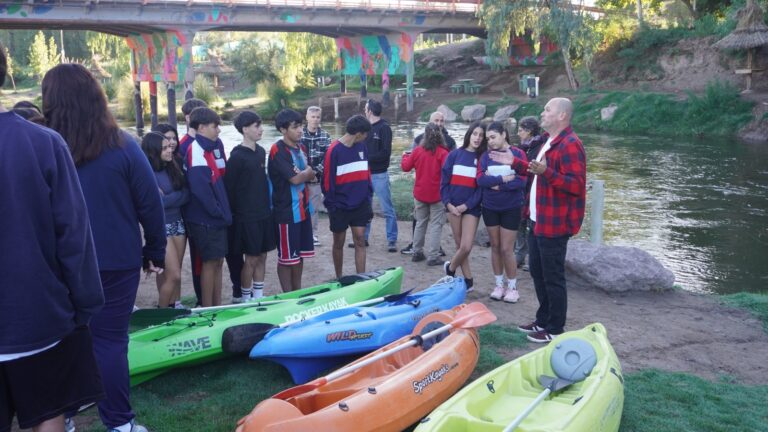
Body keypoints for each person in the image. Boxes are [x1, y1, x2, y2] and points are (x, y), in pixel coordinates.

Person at [42, 63, 166, 432]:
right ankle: (120, 423)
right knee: (110, 342)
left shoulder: (43, 144)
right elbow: (150, 203)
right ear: (96, 96)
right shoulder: (124, 145)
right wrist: (155, 250)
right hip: (115, 259)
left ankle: (60, 417)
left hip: (57, 263)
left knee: (61, 342)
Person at [1, 46, 105, 432]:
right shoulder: (43, 143)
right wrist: (85, 305)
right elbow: (74, 238)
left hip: (38, 320)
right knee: (49, 414)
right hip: (38, 317)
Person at [490, 98, 587, 343]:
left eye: (547, 110)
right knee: (538, 272)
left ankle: (555, 329)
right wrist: (515, 162)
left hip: (555, 223)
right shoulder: (550, 141)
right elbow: (536, 169)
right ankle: (543, 320)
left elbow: (576, 185)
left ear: (562, 116)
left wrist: (547, 172)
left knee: (552, 277)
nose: (542, 113)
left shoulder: (571, 145)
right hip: (538, 219)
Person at [225, 111, 276, 301]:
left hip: (263, 213)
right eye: (257, 126)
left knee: (263, 256)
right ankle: (245, 298)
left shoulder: (261, 152)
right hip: (246, 217)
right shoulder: (237, 157)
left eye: (261, 125)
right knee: (251, 258)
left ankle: (259, 297)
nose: (261, 129)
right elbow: (229, 189)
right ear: (245, 129)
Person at [184, 107, 232, 307]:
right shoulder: (196, 150)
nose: (219, 130)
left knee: (218, 262)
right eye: (215, 126)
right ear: (202, 128)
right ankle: (208, 307)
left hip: (214, 218)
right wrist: (218, 213)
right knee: (210, 263)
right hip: (205, 220)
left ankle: (217, 304)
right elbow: (201, 190)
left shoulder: (208, 148)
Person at [477, 121, 528, 304]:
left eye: (493, 137)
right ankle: (499, 284)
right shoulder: (486, 156)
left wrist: (497, 184)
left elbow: (522, 181)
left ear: (504, 135)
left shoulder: (518, 154)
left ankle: (512, 287)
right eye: (488, 138)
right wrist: (503, 179)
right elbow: (481, 180)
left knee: (507, 248)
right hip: (490, 206)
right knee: (496, 246)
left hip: (511, 207)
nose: (490, 141)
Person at [268, 109, 316, 292]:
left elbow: (308, 174)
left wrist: (305, 174)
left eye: (301, 126)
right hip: (286, 212)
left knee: (299, 255)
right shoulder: (277, 149)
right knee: (287, 258)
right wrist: (306, 174)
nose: (300, 130)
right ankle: (288, 296)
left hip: (303, 210)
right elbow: (296, 178)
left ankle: (298, 291)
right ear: (283, 130)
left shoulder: (301, 147)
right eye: (295, 127)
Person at [141, 132, 189, 309]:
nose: (170, 150)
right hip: (161, 227)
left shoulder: (172, 166)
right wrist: (174, 197)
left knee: (172, 273)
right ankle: (161, 316)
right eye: (164, 148)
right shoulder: (147, 173)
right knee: (174, 274)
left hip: (178, 224)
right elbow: (156, 204)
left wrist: (168, 198)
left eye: (170, 146)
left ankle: (173, 308)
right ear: (153, 151)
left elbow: (186, 194)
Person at [323, 115, 373, 278]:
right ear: (358, 134)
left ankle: (362, 278)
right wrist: (332, 205)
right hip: (340, 206)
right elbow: (328, 182)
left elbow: (367, 173)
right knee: (338, 243)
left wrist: (368, 195)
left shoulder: (362, 147)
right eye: (365, 134)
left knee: (360, 240)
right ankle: (339, 277)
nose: (366, 137)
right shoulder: (333, 150)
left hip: (360, 205)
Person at [441, 121, 486, 292]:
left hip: (471, 209)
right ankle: (468, 280)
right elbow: (444, 182)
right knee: (460, 246)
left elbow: (481, 188)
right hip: (452, 207)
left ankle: (450, 269)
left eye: (481, 135)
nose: (477, 138)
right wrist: (448, 204)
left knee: (466, 246)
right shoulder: (454, 155)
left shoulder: (483, 158)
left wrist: (466, 206)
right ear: (469, 134)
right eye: (475, 134)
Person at [401, 111, 454, 255]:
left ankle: (417, 252)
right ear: (440, 135)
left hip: (420, 193)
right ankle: (433, 255)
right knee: (436, 225)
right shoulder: (444, 153)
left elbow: (405, 167)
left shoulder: (418, 151)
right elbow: (449, 172)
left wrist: (404, 157)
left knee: (420, 223)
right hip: (437, 194)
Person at [359, 98, 398, 252]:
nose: (364, 110)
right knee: (364, 208)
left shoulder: (384, 128)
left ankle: (392, 240)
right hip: (365, 174)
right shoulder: (364, 128)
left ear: (370, 110)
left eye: (365, 108)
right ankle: (363, 237)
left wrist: (366, 158)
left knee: (387, 208)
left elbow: (386, 153)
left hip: (380, 174)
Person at [513, 116, 547, 271]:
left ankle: (529, 258)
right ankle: (519, 255)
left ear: (529, 131)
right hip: (521, 190)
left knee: (531, 225)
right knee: (520, 223)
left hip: (532, 190)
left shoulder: (539, 148)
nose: (518, 133)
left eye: (521, 130)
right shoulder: (522, 147)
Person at [301, 106, 332, 247]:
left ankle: (312, 234)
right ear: (307, 117)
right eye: (312, 117)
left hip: (316, 179)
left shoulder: (325, 136)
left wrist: (314, 173)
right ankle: (300, 232)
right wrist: (305, 172)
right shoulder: (299, 134)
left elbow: (328, 157)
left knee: (313, 207)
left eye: (317, 117)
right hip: (299, 177)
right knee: (299, 206)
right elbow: (295, 155)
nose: (315, 120)